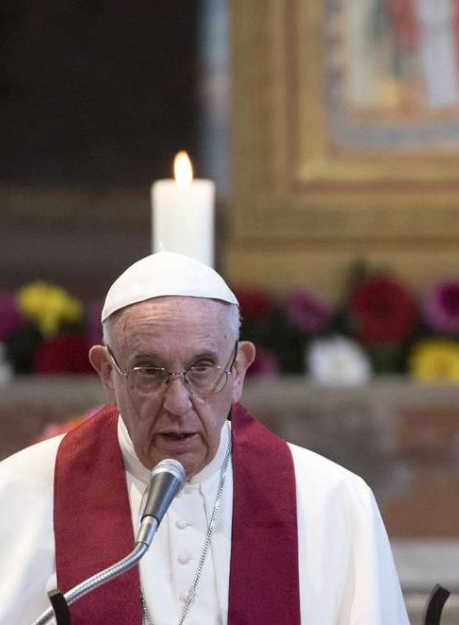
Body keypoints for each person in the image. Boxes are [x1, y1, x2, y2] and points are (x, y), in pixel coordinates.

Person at [0, 251, 410, 624]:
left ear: (238, 372)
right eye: (149, 371)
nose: (178, 403)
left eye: (202, 368)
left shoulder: (333, 501)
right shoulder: (15, 495)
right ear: (108, 374)